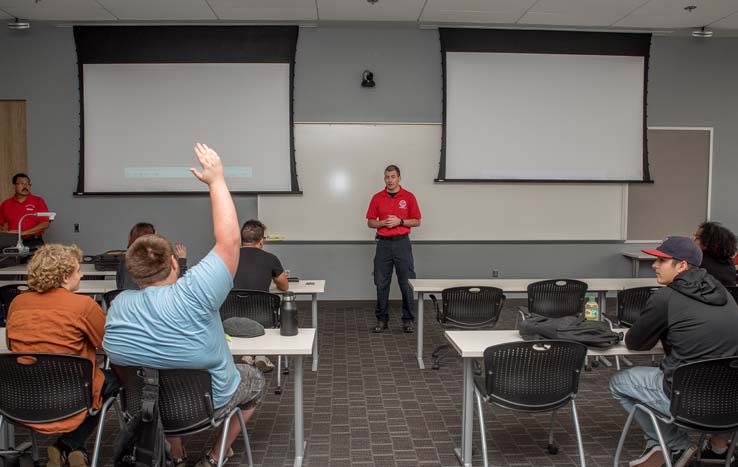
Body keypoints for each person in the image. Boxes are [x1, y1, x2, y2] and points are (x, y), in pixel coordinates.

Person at [103, 144, 265, 467]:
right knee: (255, 382)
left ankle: (174, 451)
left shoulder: (117, 306)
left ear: (134, 275)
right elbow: (230, 242)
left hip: (146, 406)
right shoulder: (194, 294)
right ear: (175, 264)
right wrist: (216, 180)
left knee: (158, 368)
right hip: (206, 405)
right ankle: (214, 456)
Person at [609, 236, 738, 467]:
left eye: (662, 260)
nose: (654, 266)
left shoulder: (666, 297)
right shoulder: (725, 295)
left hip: (686, 397)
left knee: (620, 381)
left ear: (682, 266)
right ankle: (719, 444)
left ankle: (676, 445)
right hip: (729, 399)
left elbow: (636, 343)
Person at [6, 244, 117, 467]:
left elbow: (11, 344)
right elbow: (108, 344)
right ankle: (69, 444)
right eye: (78, 270)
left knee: (80, 377)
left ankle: (71, 449)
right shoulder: (83, 306)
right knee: (114, 379)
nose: (82, 274)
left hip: (23, 396)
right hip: (72, 396)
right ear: (65, 277)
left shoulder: (17, 303)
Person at [366, 164, 421, 334]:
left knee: (406, 283)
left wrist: (400, 221)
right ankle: (382, 320)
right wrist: (382, 223)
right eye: (387, 177)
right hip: (383, 244)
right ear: (384, 179)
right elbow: (370, 222)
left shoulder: (409, 197)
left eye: (393, 177)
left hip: (402, 243)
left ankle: (408, 320)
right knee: (381, 283)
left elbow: (417, 221)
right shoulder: (377, 197)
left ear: (399, 178)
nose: (390, 180)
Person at [232, 219, 288, 372]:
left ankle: (249, 355)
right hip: (263, 316)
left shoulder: (229, 257)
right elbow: (284, 286)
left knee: (245, 312)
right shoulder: (270, 259)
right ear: (261, 241)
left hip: (231, 315)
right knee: (258, 312)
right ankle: (260, 355)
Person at [116, 222, 187, 290]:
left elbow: (120, 285)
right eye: (155, 235)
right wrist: (182, 260)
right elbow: (179, 285)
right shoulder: (156, 260)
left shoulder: (124, 261)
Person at [0, 173, 51, 249]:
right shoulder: (6, 204)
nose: (25, 186)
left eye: (28, 184)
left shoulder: (38, 201)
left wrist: (21, 233)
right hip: (12, 242)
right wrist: (6, 234)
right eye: (22, 184)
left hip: (34, 242)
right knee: (8, 260)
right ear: (14, 186)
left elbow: (45, 223)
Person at [694, 221, 737, 286]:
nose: (693, 241)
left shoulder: (700, 264)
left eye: (697, 238)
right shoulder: (729, 264)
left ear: (708, 242)